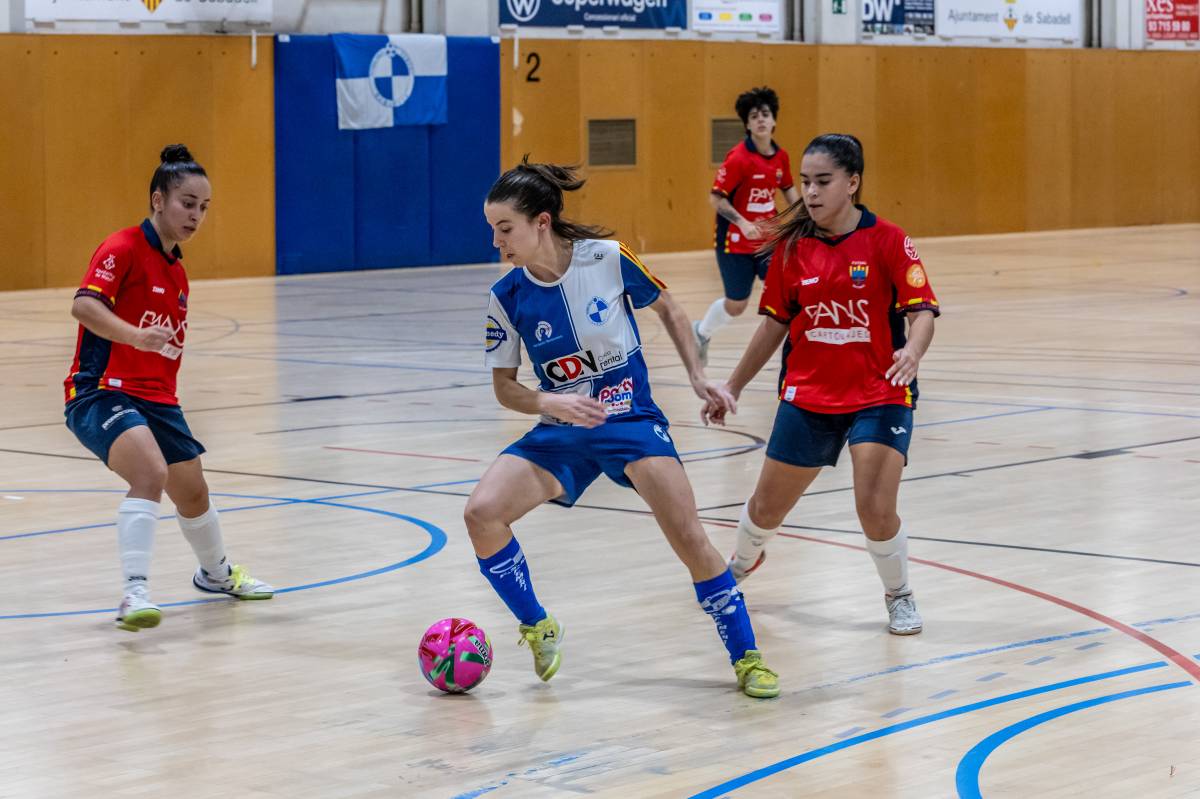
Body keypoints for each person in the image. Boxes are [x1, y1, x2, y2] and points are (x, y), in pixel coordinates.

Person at [466, 158, 780, 698]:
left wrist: (698, 376)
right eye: (493, 229)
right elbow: (505, 388)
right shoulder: (506, 298)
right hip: (562, 429)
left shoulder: (605, 259)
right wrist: (550, 401)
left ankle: (747, 657)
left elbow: (671, 310)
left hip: (630, 418)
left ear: (541, 222)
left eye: (505, 229)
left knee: (689, 538)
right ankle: (538, 624)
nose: (497, 242)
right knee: (481, 514)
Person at [702, 134, 939, 635]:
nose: (809, 192)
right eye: (805, 182)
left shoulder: (889, 240)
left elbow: (922, 313)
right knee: (766, 508)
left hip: (880, 393)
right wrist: (733, 386)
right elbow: (773, 324)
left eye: (822, 181)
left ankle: (899, 594)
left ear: (852, 183)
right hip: (809, 396)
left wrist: (912, 352)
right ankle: (742, 563)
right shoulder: (791, 248)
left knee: (874, 508)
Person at [64, 144, 273, 633]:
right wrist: (136, 336)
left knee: (193, 493)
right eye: (186, 202)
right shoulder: (121, 248)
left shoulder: (177, 271)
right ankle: (135, 591)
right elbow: (83, 307)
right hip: (100, 391)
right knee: (150, 473)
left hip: (157, 399)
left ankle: (216, 574)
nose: (195, 215)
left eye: (204, 207)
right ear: (158, 200)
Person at [693, 86, 800, 366]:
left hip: (768, 240)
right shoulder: (739, 158)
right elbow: (715, 198)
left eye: (766, 114)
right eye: (754, 116)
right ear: (747, 124)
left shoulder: (781, 157)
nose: (761, 119)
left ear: (774, 120)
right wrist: (742, 223)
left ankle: (795, 351)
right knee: (737, 305)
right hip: (735, 242)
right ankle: (701, 332)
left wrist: (807, 218)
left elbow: (788, 188)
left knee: (784, 293)